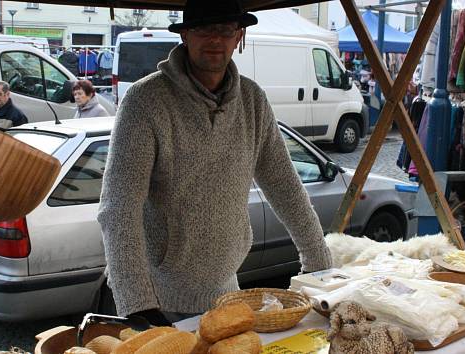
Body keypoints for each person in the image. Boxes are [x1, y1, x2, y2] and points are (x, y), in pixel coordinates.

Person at [97, 0, 332, 326]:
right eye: (204, 29)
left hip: (227, 293)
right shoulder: (146, 101)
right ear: (185, 36)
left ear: (239, 36)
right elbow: (119, 208)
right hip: (157, 300)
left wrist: (319, 262)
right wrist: (137, 304)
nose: (215, 40)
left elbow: (285, 187)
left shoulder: (252, 101)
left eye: (224, 29)